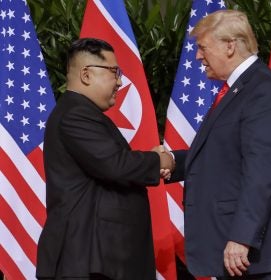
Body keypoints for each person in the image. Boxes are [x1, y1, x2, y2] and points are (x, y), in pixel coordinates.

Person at [165, 10, 271, 279]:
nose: (198, 56)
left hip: (253, 256)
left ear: (230, 45)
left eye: (202, 47)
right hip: (236, 252)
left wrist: (242, 237)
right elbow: (224, 154)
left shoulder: (263, 90)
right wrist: (172, 162)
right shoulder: (239, 89)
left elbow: (263, 171)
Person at [36, 38, 174, 280]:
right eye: (114, 72)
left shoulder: (80, 112)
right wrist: (158, 160)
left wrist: (164, 160)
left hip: (96, 260)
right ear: (87, 75)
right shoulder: (76, 114)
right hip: (86, 261)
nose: (120, 81)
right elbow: (116, 165)